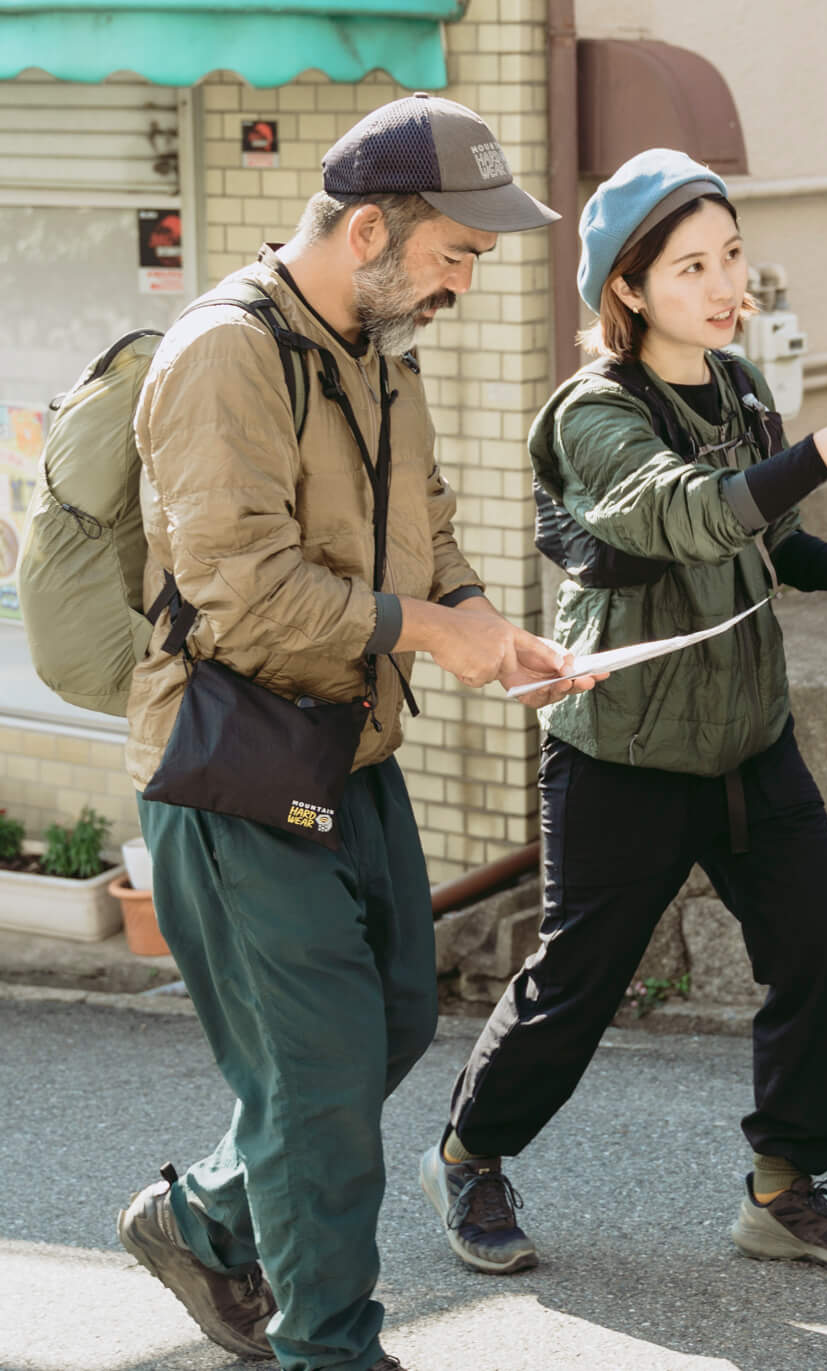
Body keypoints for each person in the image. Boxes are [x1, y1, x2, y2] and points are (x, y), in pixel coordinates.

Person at [423, 147, 827, 1275]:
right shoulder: (591, 414)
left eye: (730, 256)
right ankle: (469, 1152)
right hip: (619, 751)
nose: (725, 285)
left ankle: (782, 1185)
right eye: (690, 267)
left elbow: (761, 537)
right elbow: (684, 515)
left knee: (818, 953)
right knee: (574, 987)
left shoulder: (740, 388)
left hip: (748, 739)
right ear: (626, 288)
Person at [117, 94, 595, 1371]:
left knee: (388, 1020)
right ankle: (333, 1346)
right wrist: (433, 635)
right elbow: (243, 590)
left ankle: (202, 1213)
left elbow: (427, 526)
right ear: (371, 228)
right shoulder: (226, 354)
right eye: (456, 254)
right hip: (233, 762)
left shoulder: (379, 352)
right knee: (324, 1082)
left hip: (348, 743)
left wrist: (497, 628)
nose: (462, 284)